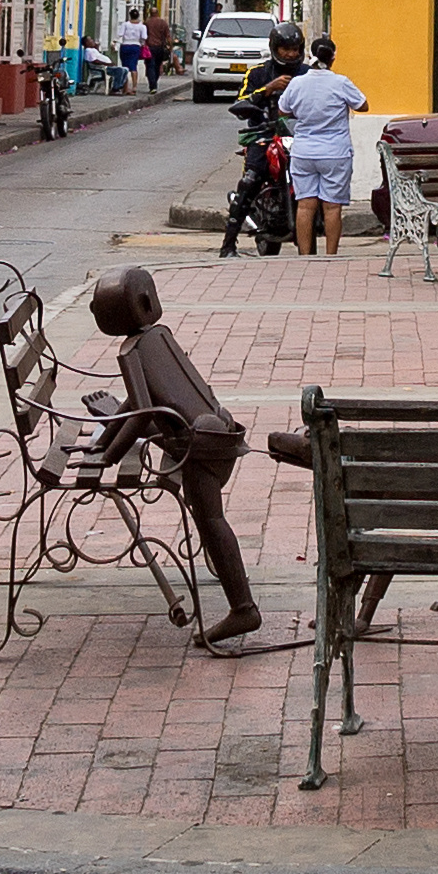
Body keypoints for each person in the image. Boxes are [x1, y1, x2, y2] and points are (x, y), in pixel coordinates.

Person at [82, 267, 266, 647]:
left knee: (212, 521)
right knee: (209, 518)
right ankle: (239, 601)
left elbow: (144, 412)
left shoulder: (132, 350)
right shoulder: (160, 336)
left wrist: (109, 455)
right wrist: (110, 433)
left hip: (199, 446)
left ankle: (243, 609)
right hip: (217, 431)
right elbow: (139, 404)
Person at [275, 42, 363, 255]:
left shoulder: (297, 83)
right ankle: (330, 256)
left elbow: (282, 110)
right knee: (332, 207)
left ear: (310, 56)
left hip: (303, 152)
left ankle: (306, 257)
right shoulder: (341, 82)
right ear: (333, 58)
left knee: (305, 206)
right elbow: (362, 105)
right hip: (335, 153)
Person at [215, 46, 296, 258]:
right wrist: (267, 89)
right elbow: (241, 101)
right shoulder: (258, 72)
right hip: (263, 137)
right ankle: (228, 245)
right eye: (285, 49)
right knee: (249, 182)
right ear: (275, 48)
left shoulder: (305, 73)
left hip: (298, 137)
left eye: (295, 49)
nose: (290, 54)